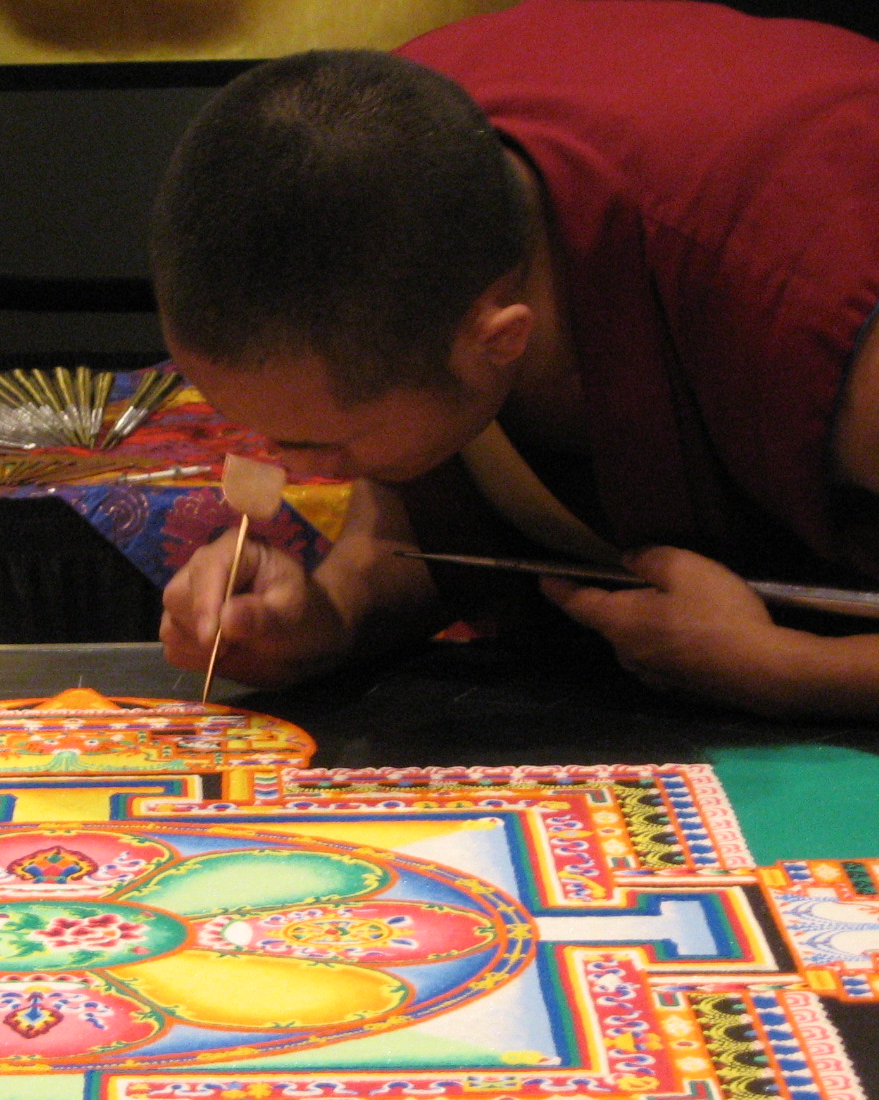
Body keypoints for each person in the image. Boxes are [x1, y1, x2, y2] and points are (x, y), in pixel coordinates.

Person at [153, 0, 879, 720]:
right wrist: (327, 614)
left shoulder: (805, 270)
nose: (304, 476)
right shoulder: (396, 164)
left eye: (332, 443)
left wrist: (781, 668)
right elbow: (450, 504)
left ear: (497, 340)